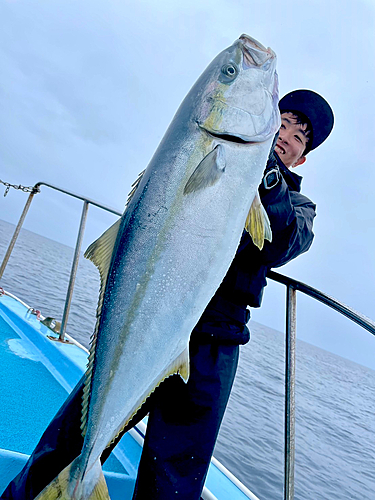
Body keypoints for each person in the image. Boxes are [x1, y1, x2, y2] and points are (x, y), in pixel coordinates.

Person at [1, 89, 334, 500]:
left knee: (173, 484)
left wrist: (265, 173)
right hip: (149, 322)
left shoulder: (299, 207)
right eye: (281, 122)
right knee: (65, 444)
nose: (285, 135)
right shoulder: (217, 158)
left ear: (301, 159)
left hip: (213, 345)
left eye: (299, 136)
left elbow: (280, 241)